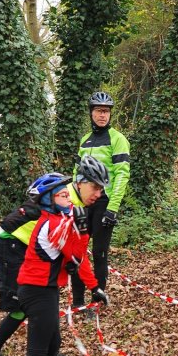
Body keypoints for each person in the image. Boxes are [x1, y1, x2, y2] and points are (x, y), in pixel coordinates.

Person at [0, 160, 107, 356]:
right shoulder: (65, 200)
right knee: (27, 306)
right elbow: (77, 252)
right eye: (95, 187)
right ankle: (2, 354)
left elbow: (73, 250)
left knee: (43, 300)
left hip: (33, 249)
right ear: (80, 182)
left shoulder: (74, 202)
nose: (98, 194)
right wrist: (93, 286)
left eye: (101, 189)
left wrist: (92, 285)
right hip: (11, 245)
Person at [16, 173, 110, 356]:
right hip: (37, 290)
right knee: (37, 349)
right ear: (48, 199)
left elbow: (79, 261)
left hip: (46, 289)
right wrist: (84, 232)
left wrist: (94, 287)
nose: (69, 198)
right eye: (63, 195)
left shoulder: (60, 219)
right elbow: (75, 257)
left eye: (68, 194)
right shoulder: (52, 224)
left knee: (53, 344)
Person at [71, 91, 130, 310]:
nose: (102, 115)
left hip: (105, 202)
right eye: (98, 111)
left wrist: (113, 208)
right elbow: (76, 173)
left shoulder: (117, 139)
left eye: (106, 111)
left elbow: (123, 174)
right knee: (77, 251)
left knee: (99, 254)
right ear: (91, 113)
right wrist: (73, 202)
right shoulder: (85, 140)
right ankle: (77, 302)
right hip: (83, 203)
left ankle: (96, 303)